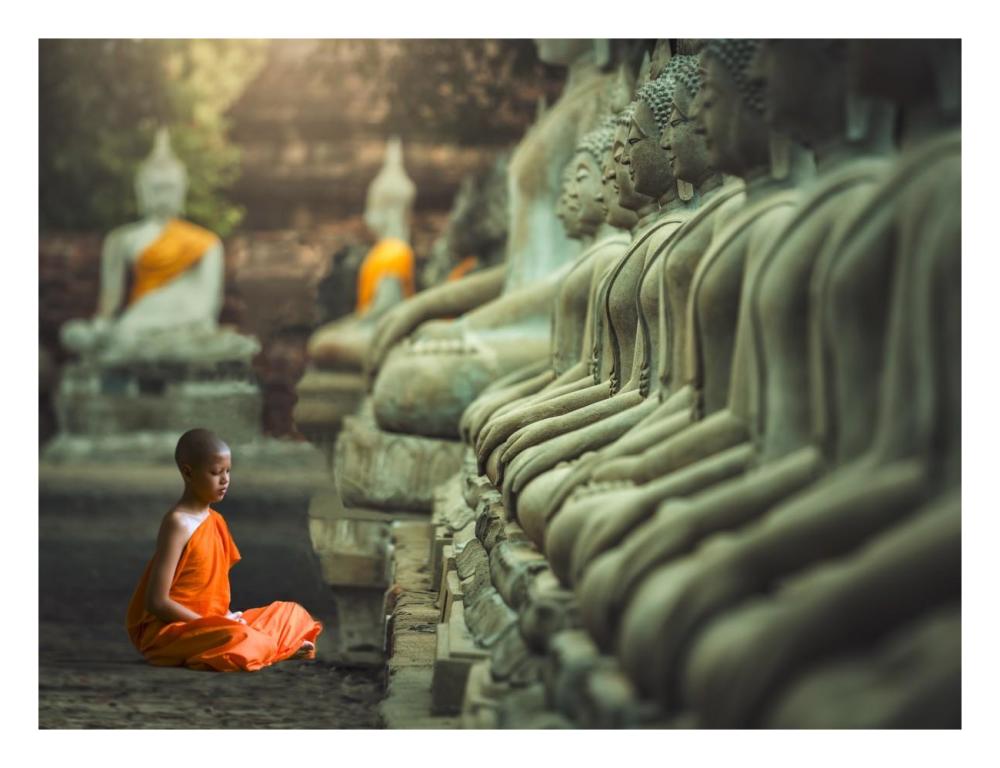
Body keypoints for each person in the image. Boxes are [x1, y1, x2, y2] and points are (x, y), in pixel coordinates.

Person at [125, 428, 323, 671]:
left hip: (218, 624)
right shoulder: (177, 522)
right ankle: (272, 648)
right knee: (244, 638)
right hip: (177, 629)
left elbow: (213, 592)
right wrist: (212, 624)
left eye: (228, 471)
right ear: (188, 472)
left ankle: (264, 647)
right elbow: (157, 602)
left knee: (292, 613)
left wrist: (228, 618)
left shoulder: (215, 521)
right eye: (216, 472)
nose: (225, 480)